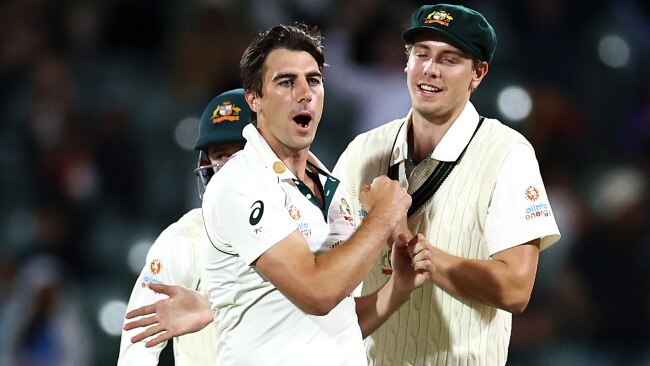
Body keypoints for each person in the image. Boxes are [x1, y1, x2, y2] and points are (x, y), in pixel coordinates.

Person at [126, 23, 430, 366]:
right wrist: (383, 214)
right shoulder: (238, 182)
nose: (304, 93)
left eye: (313, 81)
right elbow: (319, 293)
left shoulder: (333, 188)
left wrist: (398, 288)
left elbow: (337, 321)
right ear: (254, 100)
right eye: (286, 82)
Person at [332, 4, 560, 365]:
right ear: (407, 61)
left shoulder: (507, 153)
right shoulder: (363, 150)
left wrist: (420, 253)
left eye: (450, 59)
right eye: (421, 53)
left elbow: (517, 288)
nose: (430, 69)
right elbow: (327, 264)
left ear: (478, 74)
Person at [117, 88, 250, 365]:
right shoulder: (185, 238)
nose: (229, 166)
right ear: (207, 164)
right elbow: (138, 345)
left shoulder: (299, 227)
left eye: (241, 152)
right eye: (220, 155)